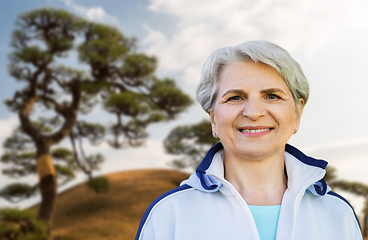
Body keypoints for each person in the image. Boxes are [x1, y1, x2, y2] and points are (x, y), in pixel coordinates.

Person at [134, 41, 363, 240]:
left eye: (272, 96)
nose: (253, 112)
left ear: (297, 112)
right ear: (213, 117)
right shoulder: (169, 214)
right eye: (235, 97)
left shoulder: (337, 213)